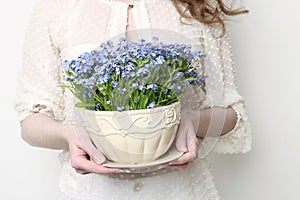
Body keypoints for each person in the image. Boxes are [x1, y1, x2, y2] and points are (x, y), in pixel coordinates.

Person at [15, 0, 252, 199]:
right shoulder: (56, 8)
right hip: (90, 191)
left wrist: (192, 120)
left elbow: (231, 112)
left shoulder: (198, 6)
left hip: (180, 190)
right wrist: (68, 134)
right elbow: (31, 120)